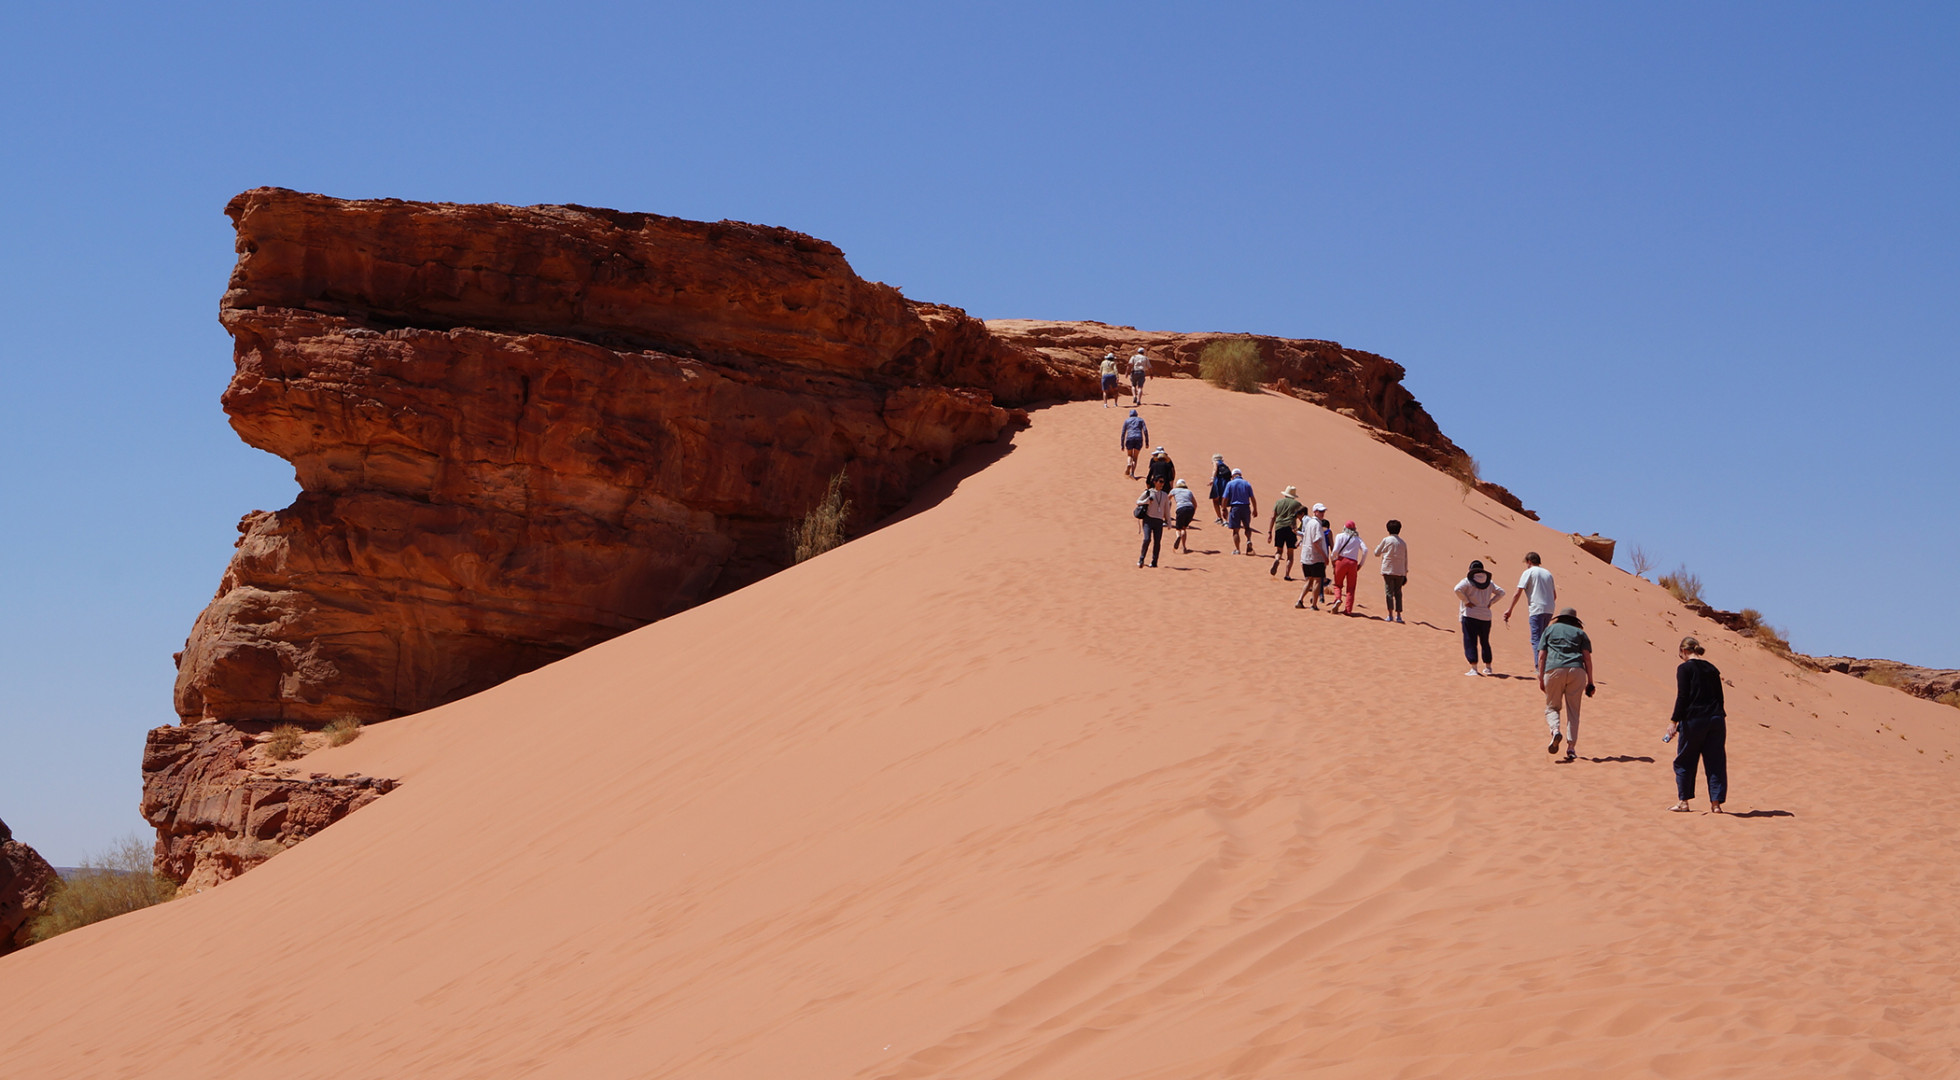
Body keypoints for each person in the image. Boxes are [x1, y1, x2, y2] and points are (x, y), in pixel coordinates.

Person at [1667, 636, 1728, 813]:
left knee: (1684, 760)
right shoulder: (1712, 669)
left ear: (1684, 651)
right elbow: (1720, 697)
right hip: (1716, 719)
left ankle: (1684, 801)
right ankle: (1716, 804)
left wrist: (1674, 721)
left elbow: (1683, 696)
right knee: (1715, 761)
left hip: (1694, 719)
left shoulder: (1684, 669)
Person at [1537, 607, 1594, 761]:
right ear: (1575, 621)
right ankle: (1571, 748)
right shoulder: (1581, 633)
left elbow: (1542, 655)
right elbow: (1587, 658)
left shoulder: (1550, 630)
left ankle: (1555, 731)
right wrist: (1591, 682)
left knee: (1552, 707)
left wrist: (1541, 677)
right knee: (1573, 711)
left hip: (1554, 670)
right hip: (1577, 671)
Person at [1453, 559, 1505, 676]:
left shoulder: (1467, 581)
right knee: (1485, 641)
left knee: (1470, 641)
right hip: (1486, 617)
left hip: (1470, 615)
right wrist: (1490, 602)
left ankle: (1474, 668)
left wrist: (1466, 601)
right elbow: (1501, 592)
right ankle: (1488, 667)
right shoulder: (1489, 582)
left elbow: (1457, 589)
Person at [1503, 552, 1557, 662]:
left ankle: (1539, 667)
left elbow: (1518, 592)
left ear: (1529, 561)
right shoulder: (1548, 573)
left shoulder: (1528, 572)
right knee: (1543, 638)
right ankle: (1545, 665)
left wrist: (1510, 610)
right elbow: (1554, 595)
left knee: (1536, 639)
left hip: (1537, 609)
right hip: (1549, 609)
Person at [1294, 503, 1333, 609]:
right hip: (1315, 558)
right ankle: (1314, 605)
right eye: (1320, 511)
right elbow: (1316, 542)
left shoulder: (1310, 523)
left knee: (1309, 580)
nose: (1322, 513)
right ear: (1315, 512)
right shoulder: (1316, 524)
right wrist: (1324, 556)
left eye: (1323, 511)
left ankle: (1300, 600)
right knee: (1317, 580)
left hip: (1306, 557)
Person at [1328, 521, 1367, 614]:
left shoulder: (1340, 536)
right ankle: (1348, 610)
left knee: (1337, 584)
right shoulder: (1358, 539)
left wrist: (1332, 559)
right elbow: (1365, 550)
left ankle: (1337, 598)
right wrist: (1361, 564)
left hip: (1341, 561)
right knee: (1351, 588)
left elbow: (1335, 550)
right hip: (1353, 563)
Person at [1374, 519, 1409, 623]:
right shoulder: (1403, 543)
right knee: (1398, 593)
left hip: (1388, 570)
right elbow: (1406, 559)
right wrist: (1405, 573)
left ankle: (1390, 615)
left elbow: (1376, 553)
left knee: (1389, 592)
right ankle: (1399, 615)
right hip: (1400, 571)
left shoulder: (1386, 540)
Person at [1268, 485, 1306, 579]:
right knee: (1290, 554)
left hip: (1279, 527)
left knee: (1279, 550)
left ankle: (1277, 559)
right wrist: (1300, 530)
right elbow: (1302, 518)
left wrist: (1270, 532)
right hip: (1291, 529)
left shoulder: (1278, 502)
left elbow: (1273, 517)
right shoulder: (1297, 504)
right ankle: (1287, 574)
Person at [1135, 477, 1172, 567]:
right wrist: (1146, 501)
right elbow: (1138, 501)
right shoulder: (1148, 492)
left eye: (1163, 482)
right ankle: (1141, 558)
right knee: (1147, 539)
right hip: (1148, 519)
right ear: (1155, 482)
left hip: (1159, 521)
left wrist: (1169, 522)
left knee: (1157, 542)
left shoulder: (1164, 495)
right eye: (1160, 481)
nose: (1162, 484)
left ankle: (1154, 561)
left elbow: (1167, 509)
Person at [1222, 468, 1258, 555]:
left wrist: (1224, 509)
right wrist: (1255, 509)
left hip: (1235, 508)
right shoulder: (1247, 483)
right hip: (1246, 507)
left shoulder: (1230, 484)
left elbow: (1225, 498)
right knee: (1247, 527)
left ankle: (1237, 549)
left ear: (1233, 476)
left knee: (1235, 530)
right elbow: (1252, 497)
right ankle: (1248, 540)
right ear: (1240, 475)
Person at [1169, 478, 1198, 552]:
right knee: (1184, 528)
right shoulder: (1189, 491)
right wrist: (1192, 513)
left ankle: (1178, 536)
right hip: (1190, 509)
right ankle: (1184, 547)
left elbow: (1167, 499)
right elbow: (1195, 504)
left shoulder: (1174, 490)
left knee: (1178, 529)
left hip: (1181, 508)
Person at [1120, 409, 1148, 478]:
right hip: (1138, 438)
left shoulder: (1127, 421)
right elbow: (1145, 431)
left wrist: (1122, 444)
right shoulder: (1141, 420)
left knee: (1129, 455)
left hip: (1129, 438)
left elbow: (1123, 432)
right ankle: (1132, 473)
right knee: (1135, 457)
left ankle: (1129, 463)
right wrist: (1147, 442)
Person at [1207, 455, 1232, 524]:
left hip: (1218, 483)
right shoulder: (1225, 466)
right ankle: (1226, 521)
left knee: (1215, 500)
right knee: (1224, 502)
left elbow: (1215, 469)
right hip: (1225, 484)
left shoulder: (1216, 463)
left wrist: (1212, 479)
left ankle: (1219, 518)